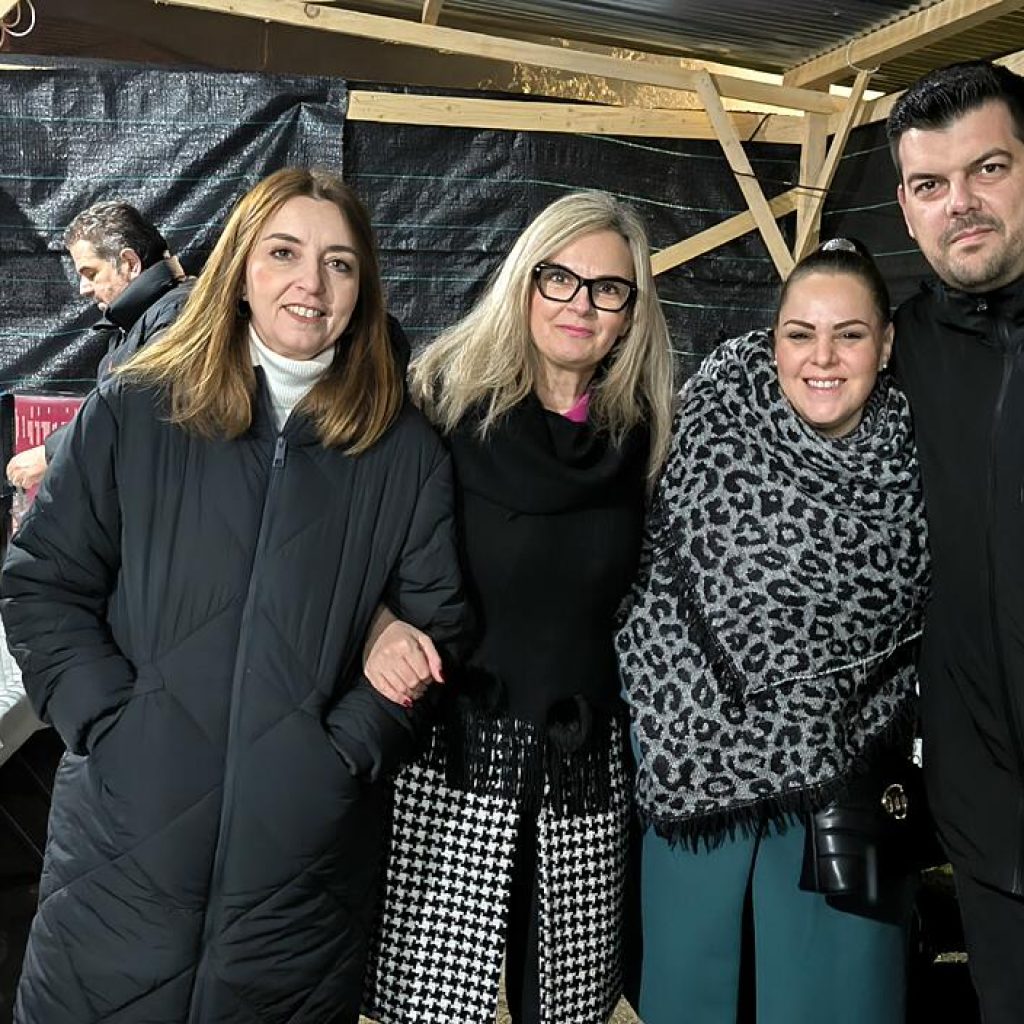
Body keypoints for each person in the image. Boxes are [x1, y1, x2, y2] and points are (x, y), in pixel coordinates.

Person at [0, 167, 466, 1024]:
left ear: (363, 289)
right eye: (283, 252)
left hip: (296, 892)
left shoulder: (403, 453)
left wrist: (341, 756)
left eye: (339, 263)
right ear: (241, 269)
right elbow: (43, 581)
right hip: (119, 862)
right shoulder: (137, 409)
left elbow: (438, 625)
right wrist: (108, 722)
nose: (310, 282)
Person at [362, 190, 674, 1023]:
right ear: (523, 281)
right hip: (454, 752)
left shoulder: (644, 436)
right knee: (433, 1004)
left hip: (583, 759)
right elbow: (360, 561)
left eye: (608, 289)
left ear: (631, 313)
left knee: (566, 1007)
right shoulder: (439, 405)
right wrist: (381, 629)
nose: (580, 304)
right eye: (559, 278)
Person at [616, 240, 930, 1024]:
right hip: (694, 780)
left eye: (849, 335)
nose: (822, 358)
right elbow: (645, 590)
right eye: (800, 333)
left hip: (841, 800)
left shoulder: (922, 459)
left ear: (885, 343)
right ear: (773, 338)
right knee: (696, 996)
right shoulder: (713, 417)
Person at [886, 60, 1024, 1024]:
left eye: (990, 169)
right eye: (931, 184)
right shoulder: (897, 355)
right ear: (905, 207)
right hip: (987, 823)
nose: (961, 203)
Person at [5, 200, 192, 491]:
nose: (83, 289)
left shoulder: (178, 314)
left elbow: (140, 408)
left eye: (90, 273)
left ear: (130, 263)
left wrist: (53, 453)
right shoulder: (144, 320)